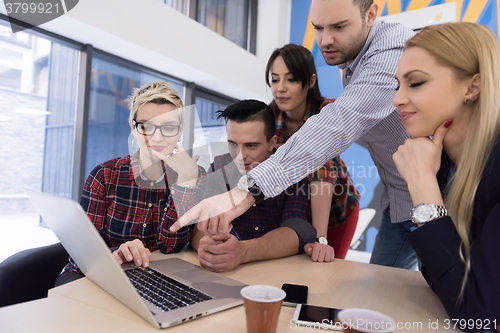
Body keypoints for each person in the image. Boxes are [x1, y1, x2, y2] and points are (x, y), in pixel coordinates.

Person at [171, 0, 418, 270]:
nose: (325, 40)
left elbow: (327, 153)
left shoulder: (384, 57)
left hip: (336, 205)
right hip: (397, 200)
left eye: (338, 26)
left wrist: (319, 235)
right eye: (318, 28)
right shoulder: (270, 116)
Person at [392, 22, 500, 331]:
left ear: (472, 87)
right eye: (397, 85)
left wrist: (422, 185)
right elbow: (442, 278)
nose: (397, 100)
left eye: (415, 83)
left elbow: (480, 318)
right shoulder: (446, 166)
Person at [55, 81, 204, 285]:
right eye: (146, 126)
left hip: (153, 279)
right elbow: (82, 253)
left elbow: (171, 246)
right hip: (94, 276)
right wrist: (117, 253)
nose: (157, 136)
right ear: (133, 127)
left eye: (168, 127)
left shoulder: (193, 175)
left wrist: (186, 182)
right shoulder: (105, 175)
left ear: (180, 130)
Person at [191, 99, 318, 272]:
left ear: (271, 143)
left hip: (279, 273)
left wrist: (243, 252)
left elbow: (296, 231)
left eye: (251, 145)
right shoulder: (220, 166)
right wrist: (209, 248)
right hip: (230, 274)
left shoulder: (293, 172)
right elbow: (200, 226)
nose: (240, 156)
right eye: (233, 144)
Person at [266, 43, 360, 262]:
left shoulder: (328, 112)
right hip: (293, 211)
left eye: (290, 79)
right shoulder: (268, 119)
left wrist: (320, 239)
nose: (280, 88)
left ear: (310, 81)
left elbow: (322, 170)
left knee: (324, 268)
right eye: (275, 79)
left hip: (336, 213)